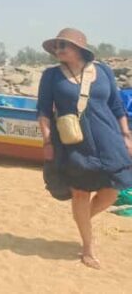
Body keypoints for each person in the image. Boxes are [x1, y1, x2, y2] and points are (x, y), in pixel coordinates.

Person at [37, 28, 132, 270]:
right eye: (56, 46)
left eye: (63, 45)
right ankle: (88, 246)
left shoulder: (103, 71)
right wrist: (47, 140)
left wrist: (126, 135)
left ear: (79, 48)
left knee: (112, 190)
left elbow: (117, 105)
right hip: (73, 142)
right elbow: (43, 110)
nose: (58, 50)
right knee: (80, 193)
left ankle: (82, 219)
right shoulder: (51, 76)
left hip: (108, 137)